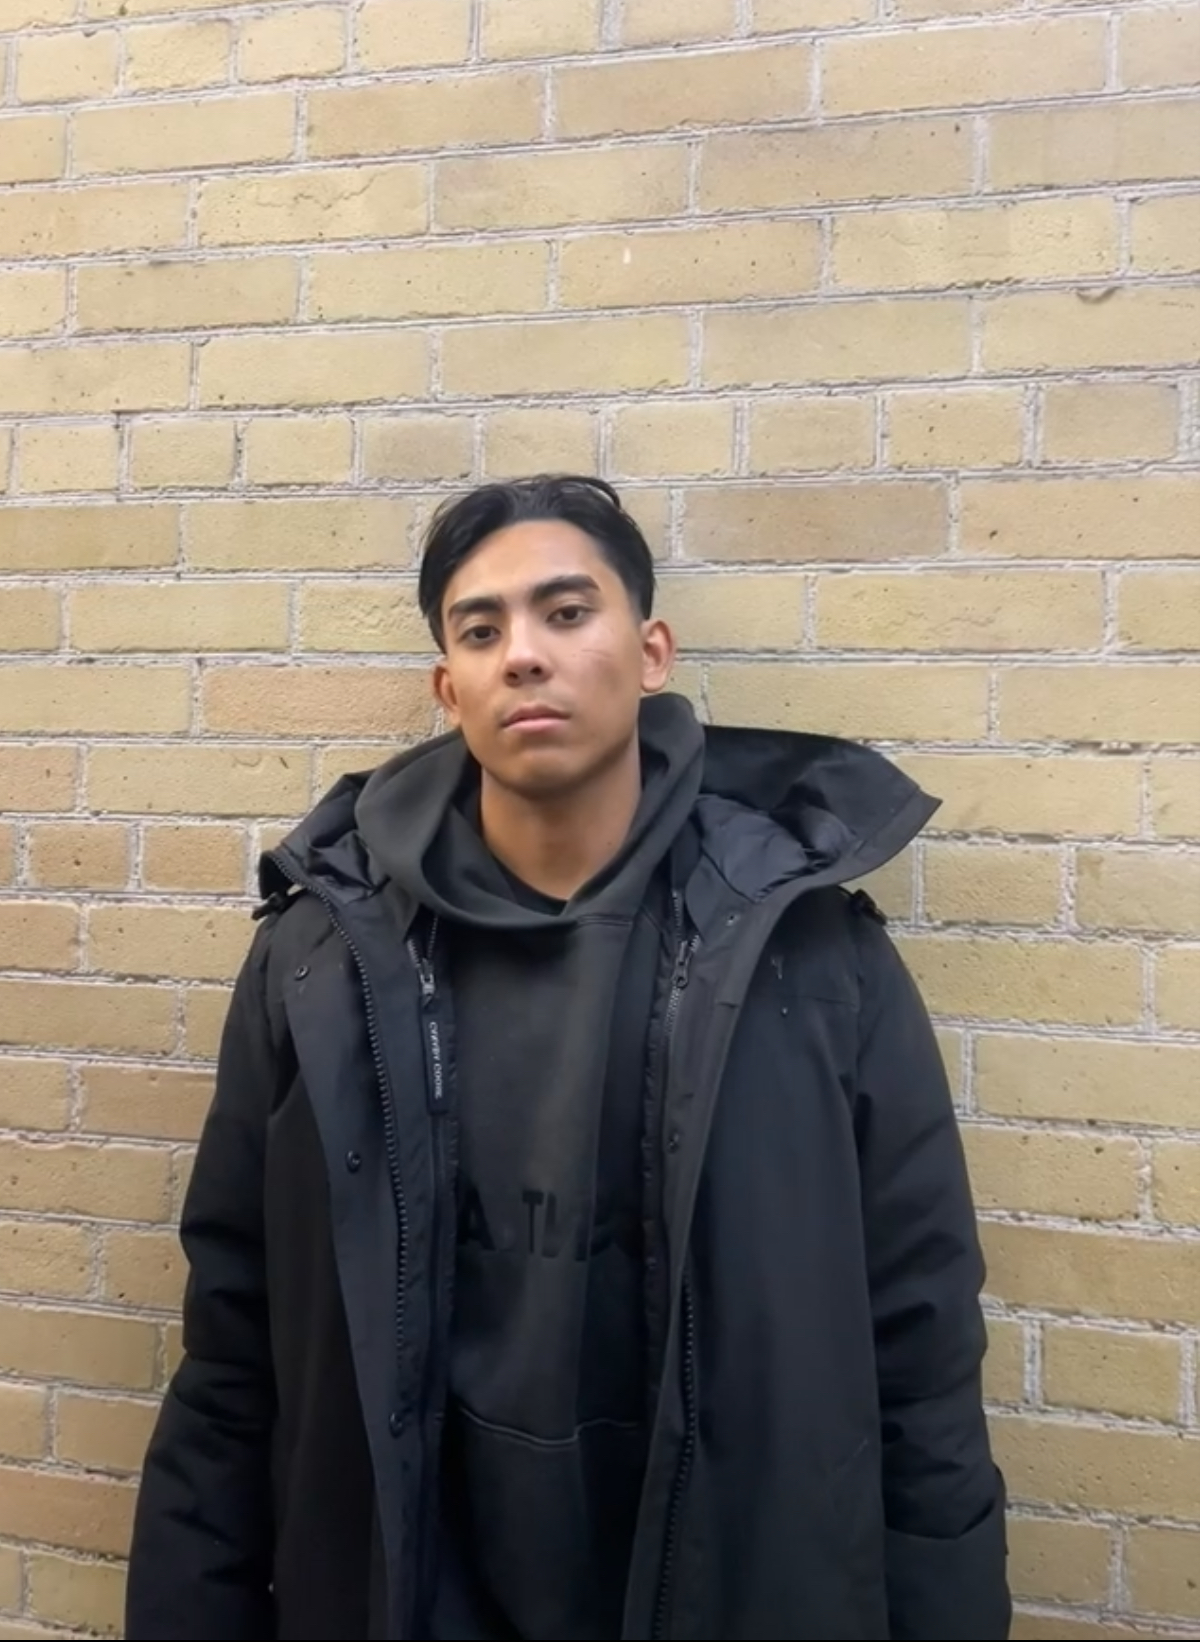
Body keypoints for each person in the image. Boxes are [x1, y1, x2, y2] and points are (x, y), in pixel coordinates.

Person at [126, 474, 1011, 1641]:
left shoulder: (809, 956)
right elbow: (235, 1338)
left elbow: (921, 1341)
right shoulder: (321, 961)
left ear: (651, 652)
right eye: (481, 630)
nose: (523, 655)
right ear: (449, 686)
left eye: (566, 612)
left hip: (733, 1580)